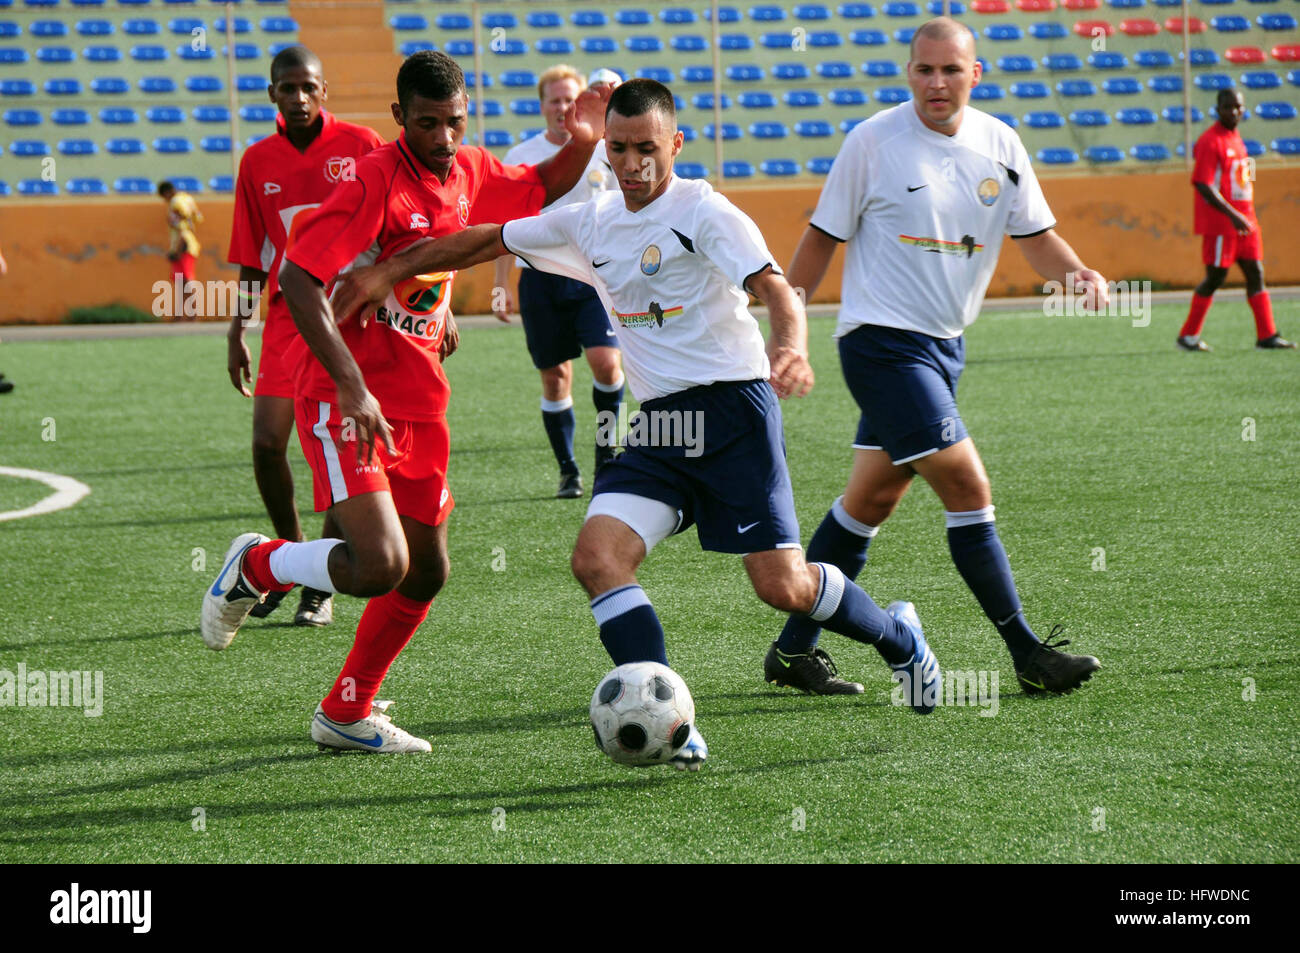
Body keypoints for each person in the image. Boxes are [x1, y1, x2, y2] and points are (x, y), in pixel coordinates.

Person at [330, 79, 947, 770]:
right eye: (618, 148)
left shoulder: (705, 212)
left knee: (784, 586)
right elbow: (480, 239)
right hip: (659, 427)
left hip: (734, 414)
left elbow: (777, 290)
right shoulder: (589, 221)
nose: (631, 163)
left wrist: (790, 347)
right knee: (597, 559)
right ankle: (676, 724)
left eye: (646, 148)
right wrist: (390, 271)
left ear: (674, 144)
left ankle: (901, 637)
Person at [200, 51, 610, 753]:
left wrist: (588, 136)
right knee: (381, 563)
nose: (443, 139)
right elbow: (299, 281)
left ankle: (345, 711)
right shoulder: (371, 181)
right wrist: (354, 385)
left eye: (453, 123)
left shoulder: (469, 169)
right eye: (427, 125)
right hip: (343, 398)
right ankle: (258, 565)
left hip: (419, 403)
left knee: (428, 568)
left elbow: (541, 185)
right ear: (399, 119)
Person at [773, 17, 1104, 697]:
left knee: (869, 501)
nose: (937, 82)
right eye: (924, 69)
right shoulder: (872, 141)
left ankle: (792, 651)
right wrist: (788, 335)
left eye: (951, 70)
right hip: (881, 345)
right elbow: (818, 240)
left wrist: (1079, 275)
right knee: (968, 487)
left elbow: (1036, 238)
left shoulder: (1000, 143)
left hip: (946, 347)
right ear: (909, 73)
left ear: (974, 75)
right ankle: (1026, 652)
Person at [224, 46, 387, 627]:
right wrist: (238, 328)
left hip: (350, 315)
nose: (297, 98)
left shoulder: (363, 146)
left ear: (324, 92)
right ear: (271, 93)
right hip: (287, 318)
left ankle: (320, 585)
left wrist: (424, 308)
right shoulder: (256, 160)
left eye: (308, 87)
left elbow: (392, 239)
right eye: (286, 88)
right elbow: (251, 257)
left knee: (350, 446)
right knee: (268, 442)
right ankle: (289, 557)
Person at [491, 65, 625, 499]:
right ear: (542, 104)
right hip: (539, 279)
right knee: (555, 378)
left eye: (571, 99)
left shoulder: (606, 151)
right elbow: (503, 226)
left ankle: (607, 456)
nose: (563, 107)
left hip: (592, 276)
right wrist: (501, 283)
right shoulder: (520, 155)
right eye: (555, 100)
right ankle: (568, 470)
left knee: (607, 364)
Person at [1177, 89, 1294, 352]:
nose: (1233, 112)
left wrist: (1246, 215)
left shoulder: (1237, 140)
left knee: (1256, 273)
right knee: (1216, 277)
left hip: (1246, 224)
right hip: (1222, 226)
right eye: (1228, 107)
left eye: (1238, 107)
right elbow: (1202, 184)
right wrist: (1233, 215)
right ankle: (1188, 336)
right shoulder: (1211, 141)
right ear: (1217, 109)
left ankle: (1267, 336)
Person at [158, 180, 202, 316]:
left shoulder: (176, 202)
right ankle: (185, 314)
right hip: (185, 244)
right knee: (181, 281)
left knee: (186, 281)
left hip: (183, 245)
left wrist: (176, 250)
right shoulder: (187, 198)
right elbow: (198, 217)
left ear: (167, 193)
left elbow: (184, 218)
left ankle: (192, 314)